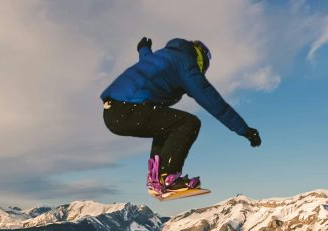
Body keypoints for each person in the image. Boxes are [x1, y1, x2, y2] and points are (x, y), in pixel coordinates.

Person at [101, 37, 262, 194]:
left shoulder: (167, 56)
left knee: (165, 125)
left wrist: (143, 48)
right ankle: (169, 178)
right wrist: (244, 129)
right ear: (201, 60)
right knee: (188, 123)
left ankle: (156, 178)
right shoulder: (186, 65)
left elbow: (147, 61)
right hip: (128, 108)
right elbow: (212, 101)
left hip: (112, 111)